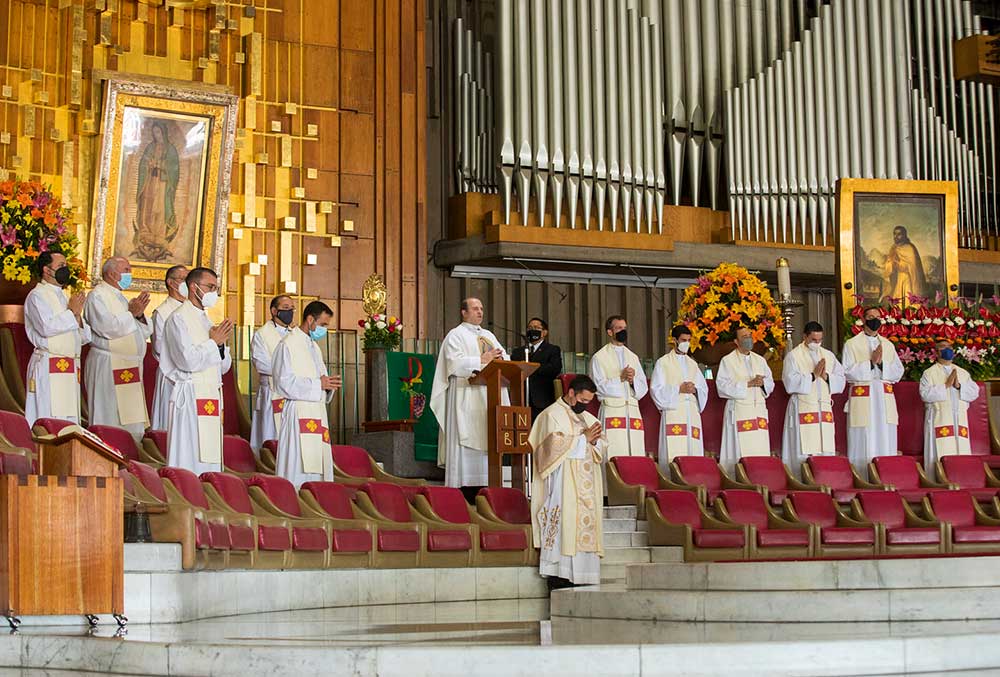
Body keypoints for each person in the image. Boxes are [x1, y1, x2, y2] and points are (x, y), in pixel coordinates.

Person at [529, 374, 605, 589]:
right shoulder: (550, 415)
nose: (585, 405)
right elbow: (547, 451)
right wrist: (582, 440)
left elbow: (602, 446)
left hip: (587, 487)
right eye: (582, 400)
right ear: (571, 392)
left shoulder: (589, 418)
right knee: (565, 528)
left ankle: (583, 577)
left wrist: (595, 442)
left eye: (588, 402)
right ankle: (560, 577)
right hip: (563, 488)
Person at [429, 297, 509, 499]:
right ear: (463, 312)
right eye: (475, 309)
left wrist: (501, 359)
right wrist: (480, 360)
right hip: (465, 396)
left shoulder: (489, 335)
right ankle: (462, 492)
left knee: (488, 437)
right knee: (466, 439)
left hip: (488, 398)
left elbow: (505, 358)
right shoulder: (455, 335)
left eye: (481, 308)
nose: (480, 312)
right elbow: (453, 364)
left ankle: (487, 489)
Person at [163, 268, 233, 475]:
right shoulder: (178, 318)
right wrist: (213, 343)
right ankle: (186, 489)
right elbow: (186, 361)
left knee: (210, 454)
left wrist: (220, 346)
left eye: (216, 288)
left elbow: (223, 367)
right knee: (190, 454)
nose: (214, 293)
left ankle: (208, 490)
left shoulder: (207, 320)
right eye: (210, 287)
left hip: (210, 393)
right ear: (194, 287)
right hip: (191, 396)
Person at [271, 301, 341, 487]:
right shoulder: (288, 344)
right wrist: (319, 384)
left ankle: (317, 499)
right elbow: (283, 383)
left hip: (317, 412)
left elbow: (321, 378)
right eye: (323, 324)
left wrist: (328, 385)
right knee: (298, 466)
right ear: (310, 319)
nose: (324, 329)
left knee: (318, 465)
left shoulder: (314, 347)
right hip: (297, 414)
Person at [83, 256, 152, 440]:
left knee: (129, 422)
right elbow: (107, 328)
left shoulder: (120, 297)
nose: (130, 274)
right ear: (112, 274)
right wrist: (132, 313)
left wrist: (139, 315)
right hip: (108, 364)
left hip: (129, 366)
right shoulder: (97, 296)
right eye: (126, 270)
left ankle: (129, 450)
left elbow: (144, 331)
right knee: (109, 416)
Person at [23, 251, 90, 426]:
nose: (65, 270)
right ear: (46, 270)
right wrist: (72, 312)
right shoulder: (37, 296)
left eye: (66, 265)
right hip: (49, 364)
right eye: (61, 266)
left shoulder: (64, 296)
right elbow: (46, 327)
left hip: (70, 365)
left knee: (68, 420)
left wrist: (77, 316)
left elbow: (83, 337)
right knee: (50, 417)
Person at [842, 306, 903, 474]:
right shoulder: (852, 344)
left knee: (885, 436)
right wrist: (870, 363)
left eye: (877, 317)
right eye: (870, 317)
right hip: (863, 398)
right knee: (864, 436)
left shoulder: (888, 345)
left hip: (883, 398)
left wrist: (881, 364)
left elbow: (898, 372)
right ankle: (861, 476)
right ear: (863, 320)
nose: (874, 320)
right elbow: (846, 372)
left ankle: (887, 475)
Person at [781, 322, 846, 476]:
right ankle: (801, 479)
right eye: (813, 340)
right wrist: (812, 375)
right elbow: (789, 382)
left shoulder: (828, 355)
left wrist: (826, 376)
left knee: (824, 446)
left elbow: (841, 379)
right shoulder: (793, 356)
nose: (817, 343)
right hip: (803, 408)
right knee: (804, 447)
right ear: (805, 337)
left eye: (820, 340)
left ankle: (825, 478)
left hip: (823, 409)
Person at [716, 326, 775, 474]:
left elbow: (770, 383)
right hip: (739, 412)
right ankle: (737, 479)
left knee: (759, 449)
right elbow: (722, 386)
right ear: (736, 341)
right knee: (739, 451)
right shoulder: (728, 361)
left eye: (750, 335)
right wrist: (748, 384)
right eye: (744, 337)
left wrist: (763, 383)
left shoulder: (760, 360)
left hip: (758, 412)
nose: (749, 339)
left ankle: (759, 477)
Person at [588, 315, 647, 459]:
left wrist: (632, 381)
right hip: (612, 411)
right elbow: (598, 386)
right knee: (613, 453)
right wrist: (620, 378)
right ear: (610, 332)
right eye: (619, 328)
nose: (623, 331)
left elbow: (643, 387)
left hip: (632, 412)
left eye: (624, 328)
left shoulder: (633, 357)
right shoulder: (599, 357)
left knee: (635, 453)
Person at [649, 324, 708, 467]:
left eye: (688, 340)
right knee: (674, 452)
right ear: (675, 340)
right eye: (683, 340)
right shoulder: (663, 362)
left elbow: (703, 388)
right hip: (674, 412)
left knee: (693, 452)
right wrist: (678, 389)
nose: (686, 343)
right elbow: (656, 389)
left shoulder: (693, 364)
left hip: (691, 414)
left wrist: (695, 390)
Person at [920, 340, 980, 476]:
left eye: (949, 347)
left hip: (959, 421)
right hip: (939, 420)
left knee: (960, 452)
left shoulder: (962, 373)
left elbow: (974, 392)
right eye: (943, 347)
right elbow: (925, 394)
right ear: (936, 352)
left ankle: (962, 479)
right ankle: (937, 481)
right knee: (940, 450)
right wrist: (946, 385)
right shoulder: (929, 373)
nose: (947, 349)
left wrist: (959, 386)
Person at [250, 295, 296, 451]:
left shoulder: (295, 335)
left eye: (292, 309)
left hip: (291, 393)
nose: (290, 312)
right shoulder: (262, 334)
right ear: (274, 311)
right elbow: (261, 363)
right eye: (286, 308)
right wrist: (289, 370)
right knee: (269, 433)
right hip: (270, 392)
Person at [150, 265, 188, 430]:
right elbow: (159, 347)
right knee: (170, 424)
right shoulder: (162, 312)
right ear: (171, 283)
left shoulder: (192, 310)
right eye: (184, 279)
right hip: (171, 374)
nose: (188, 283)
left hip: (191, 375)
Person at [510, 317, 562, 420]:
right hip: (520, 399)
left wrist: (531, 367)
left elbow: (555, 369)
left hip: (542, 400)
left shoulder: (552, 350)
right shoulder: (518, 352)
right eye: (530, 328)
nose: (532, 330)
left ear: (544, 332)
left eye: (536, 328)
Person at [883, 225, 928, 301]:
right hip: (898, 279)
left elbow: (912, 266)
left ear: (904, 235)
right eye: (894, 234)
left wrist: (897, 264)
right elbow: (889, 263)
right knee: (897, 302)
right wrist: (890, 264)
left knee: (907, 300)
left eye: (899, 234)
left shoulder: (909, 248)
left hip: (907, 279)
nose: (896, 236)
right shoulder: (893, 248)